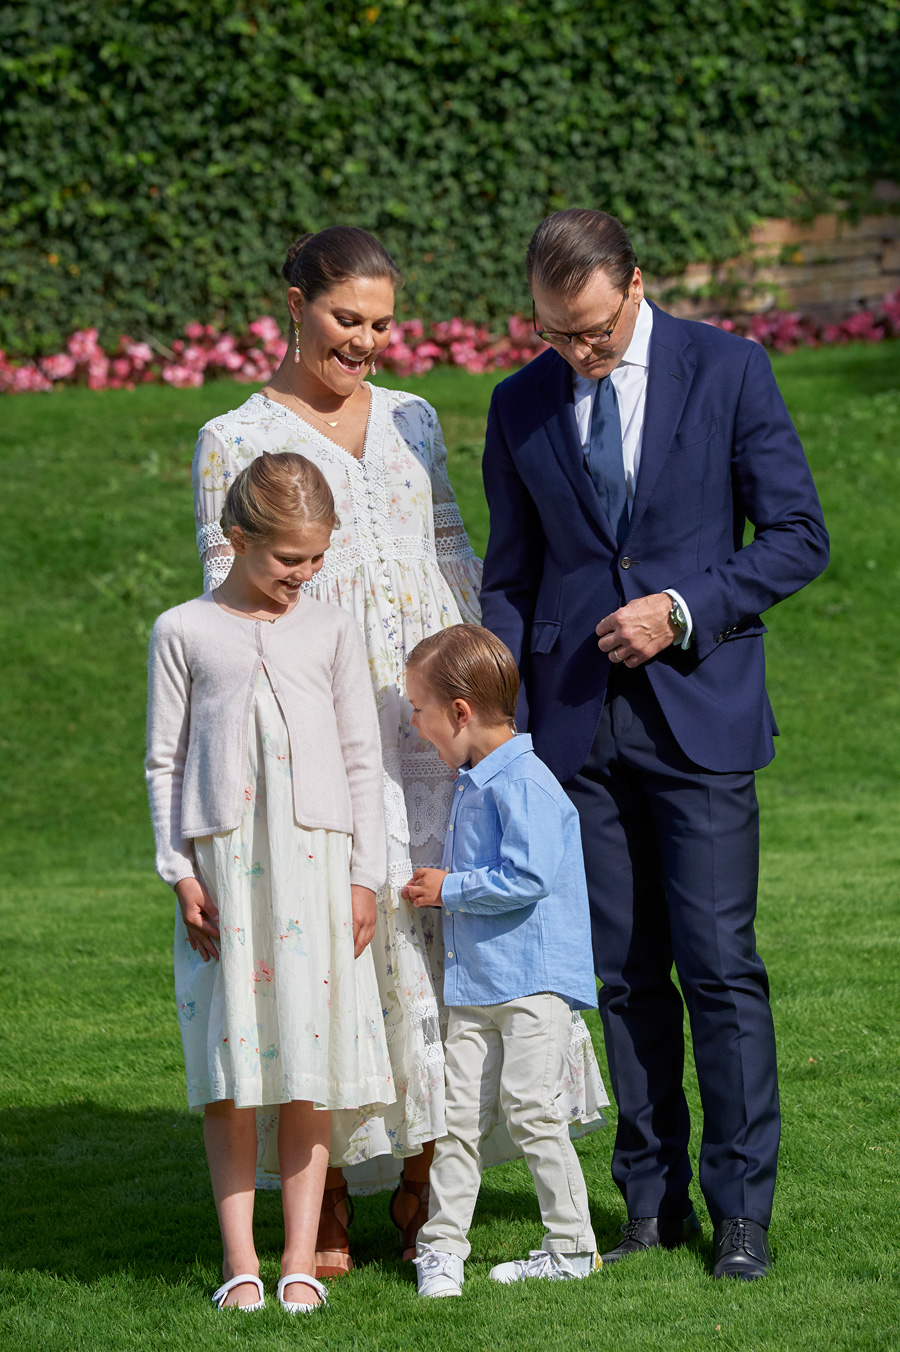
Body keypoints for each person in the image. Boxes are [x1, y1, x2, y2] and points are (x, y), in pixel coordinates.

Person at [191, 226, 605, 1276]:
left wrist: (488, 717)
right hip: (322, 723)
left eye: (383, 321)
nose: (369, 340)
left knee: (442, 923)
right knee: (338, 935)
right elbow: (225, 604)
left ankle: (430, 1170)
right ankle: (322, 1181)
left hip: (432, 721)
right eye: (347, 319)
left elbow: (455, 554)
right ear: (294, 303)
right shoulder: (231, 437)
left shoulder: (416, 419)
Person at [479, 209, 830, 1281]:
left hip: (701, 711)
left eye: (589, 329)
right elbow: (510, 571)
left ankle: (739, 1212)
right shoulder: (519, 402)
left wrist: (681, 608)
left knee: (720, 968)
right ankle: (647, 1200)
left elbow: (797, 536)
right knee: (623, 978)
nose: (575, 352)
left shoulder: (730, 370)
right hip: (575, 723)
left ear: (636, 284)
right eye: (553, 333)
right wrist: (502, 715)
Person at [146, 452, 393, 1312]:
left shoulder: (329, 629)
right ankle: (240, 1261)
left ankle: (298, 1258)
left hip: (317, 869)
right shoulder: (183, 630)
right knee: (231, 1064)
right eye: (289, 558)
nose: (304, 575)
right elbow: (164, 763)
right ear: (237, 537)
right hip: (225, 877)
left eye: (317, 558)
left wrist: (366, 875)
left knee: (307, 1063)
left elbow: (362, 755)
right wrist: (179, 872)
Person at [400, 626, 602, 1297]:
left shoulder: (525, 782)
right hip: (477, 983)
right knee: (454, 1120)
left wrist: (446, 888)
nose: (416, 724)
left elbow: (529, 877)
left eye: (421, 710)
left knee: (533, 1111)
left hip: (532, 983)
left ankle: (572, 1246)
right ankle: (442, 1251)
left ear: (461, 711)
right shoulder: (477, 783)